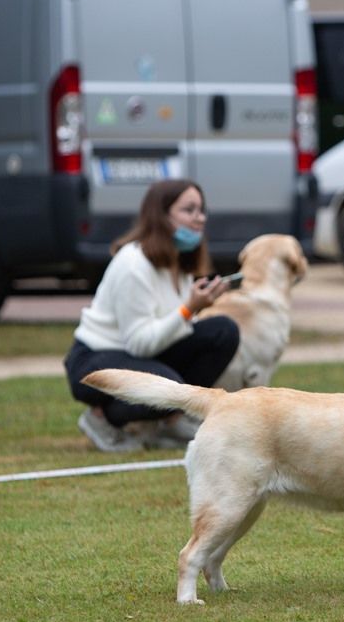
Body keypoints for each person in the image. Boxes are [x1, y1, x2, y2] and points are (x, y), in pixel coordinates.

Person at [64, 179, 240, 452]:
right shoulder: (133, 263)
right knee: (169, 390)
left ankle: (168, 424)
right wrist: (188, 309)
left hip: (142, 355)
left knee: (223, 332)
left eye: (202, 210)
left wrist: (195, 308)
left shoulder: (179, 261)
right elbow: (139, 343)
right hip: (94, 359)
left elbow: (171, 330)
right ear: (161, 216)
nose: (200, 218)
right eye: (189, 210)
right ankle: (100, 418)